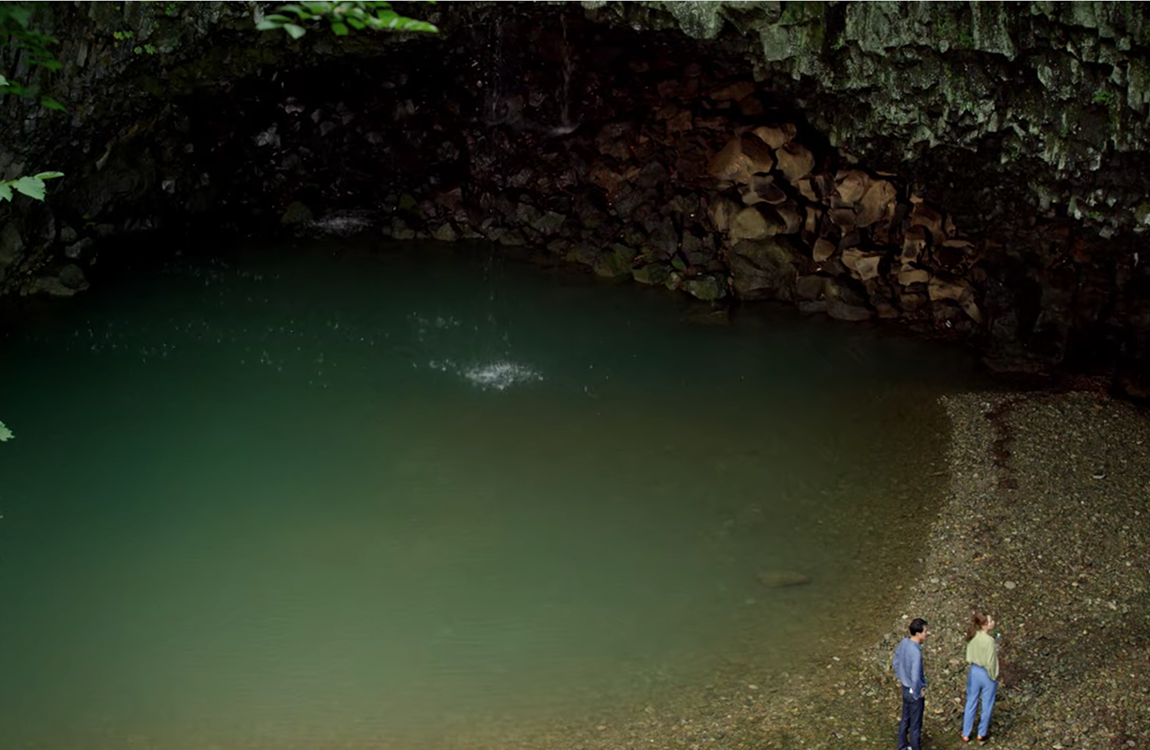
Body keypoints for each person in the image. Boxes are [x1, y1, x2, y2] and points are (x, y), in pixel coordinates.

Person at [961, 611, 1000, 743]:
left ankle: (966, 732)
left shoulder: (972, 636)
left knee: (971, 701)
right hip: (986, 674)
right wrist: (994, 676)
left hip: (974, 671)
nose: (993, 622)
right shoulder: (990, 641)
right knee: (987, 704)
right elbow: (991, 662)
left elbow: (969, 655)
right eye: (990, 621)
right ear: (984, 625)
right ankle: (981, 733)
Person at [893, 617, 930, 750]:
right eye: (926, 631)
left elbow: (896, 660)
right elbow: (915, 677)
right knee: (915, 725)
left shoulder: (904, 642)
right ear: (918, 633)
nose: (928, 633)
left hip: (905, 687)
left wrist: (901, 676)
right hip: (913, 691)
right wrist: (918, 692)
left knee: (905, 719)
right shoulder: (916, 652)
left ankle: (902, 746)